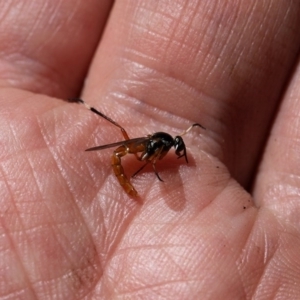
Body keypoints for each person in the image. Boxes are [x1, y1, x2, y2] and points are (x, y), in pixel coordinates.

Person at [1, 1, 300, 298]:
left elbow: (170, 141)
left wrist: (173, 144)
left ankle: (93, 112)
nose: (179, 151)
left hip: (132, 154)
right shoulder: (158, 147)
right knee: (121, 136)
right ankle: (93, 111)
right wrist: (150, 166)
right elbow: (150, 154)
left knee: (122, 137)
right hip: (128, 156)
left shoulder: (167, 141)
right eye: (178, 147)